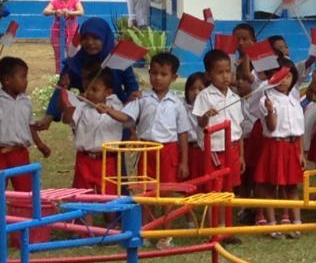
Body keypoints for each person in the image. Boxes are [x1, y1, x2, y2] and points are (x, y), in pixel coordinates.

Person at [37, 18, 139, 131]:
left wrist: (129, 107)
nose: (90, 42)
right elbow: (61, 90)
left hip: (116, 116)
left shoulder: (118, 59)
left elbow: (132, 87)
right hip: (85, 118)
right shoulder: (74, 62)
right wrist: (49, 117)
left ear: (105, 37)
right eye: (85, 38)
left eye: (95, 38)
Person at [122, 53, 191, 186]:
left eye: (163, 74)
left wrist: (184, 162)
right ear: (149, 73)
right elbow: (127, 117)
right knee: (145, 186)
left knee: (167, 186)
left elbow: (183, 133)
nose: (158, 78)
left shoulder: (177, 103)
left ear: (174, 77)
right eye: (154, 73)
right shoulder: (141, 98)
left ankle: (167, 207)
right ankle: (147, 207)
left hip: (168, 151)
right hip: (146, 148)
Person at [61, 67, 131, 194]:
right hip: (85, 160)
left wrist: (108, 111)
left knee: (109, 198)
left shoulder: (116, 105)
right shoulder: (82, 107)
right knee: (83, 198)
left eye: (94, 89)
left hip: (108, 160)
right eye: (87, 88)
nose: (89, 93)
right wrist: (67, 98)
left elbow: (125, 119)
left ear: (108, 92)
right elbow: (66, 119)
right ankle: (87, 214)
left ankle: (110, 214)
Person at [257, 58, 305, 237]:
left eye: (289, 76)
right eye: (281, 76)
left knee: (292, 186)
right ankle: (272, 224)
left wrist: (300, 153)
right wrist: (270, 111)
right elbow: (271, 126)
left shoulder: (294, 100)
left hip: (292, 147)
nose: (285, 80)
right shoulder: (267, 98)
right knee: (271, 186)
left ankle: (296, 223)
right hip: (275, 145)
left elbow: (299, 130)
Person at [192, 50, 245, 194]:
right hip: (214, 150)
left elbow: (238, 129)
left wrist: (241, 156)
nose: (225, 76)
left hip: (232, 149)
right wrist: (206, 116)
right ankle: (213, 217)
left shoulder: (234, 97)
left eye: (228, 71)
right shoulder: (204, 96)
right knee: (214, 188)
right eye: (220, 72)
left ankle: (225, 217)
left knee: (229, 188)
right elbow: (201, 124)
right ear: (209, 75)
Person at [0, 57, 51, 191]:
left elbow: (29, 125)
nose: (26, 81)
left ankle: (24, 211)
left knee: (25, 189)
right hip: (1, 152)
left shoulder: (26, 101)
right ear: (7, 80)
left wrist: (40, 144)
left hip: (20, 152)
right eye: (23, 77)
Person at [42, 0, 84, 72]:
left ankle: (73, 74)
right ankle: (59, 75)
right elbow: (45, 11)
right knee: (58, 56)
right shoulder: (55, 1)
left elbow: (81, 12)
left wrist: (69, 12)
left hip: (73, 32)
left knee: (73, 54)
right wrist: (55, 11)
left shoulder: (75, 0)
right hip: (57, 32)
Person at [183, 72, 209, 182]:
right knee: (191, 184)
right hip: (189, 150)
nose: (196, 92)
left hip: (206, 150)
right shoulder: (182, 107)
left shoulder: (210, 108)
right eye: (192, 89)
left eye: (200, 89)